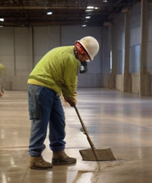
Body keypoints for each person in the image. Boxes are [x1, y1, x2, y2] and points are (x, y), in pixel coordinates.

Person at [27, 36, 99, 169]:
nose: (85, 61)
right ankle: (35, 157)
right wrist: (71, 97)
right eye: (86, 58)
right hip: (40, 87)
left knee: (58, 120)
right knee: (40, 122)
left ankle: (58, 153)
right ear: (82, 52)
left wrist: (69, 96)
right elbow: (69, 82)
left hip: (52, 88)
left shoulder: (68, 53)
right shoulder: (71, 59)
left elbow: (65, 81)